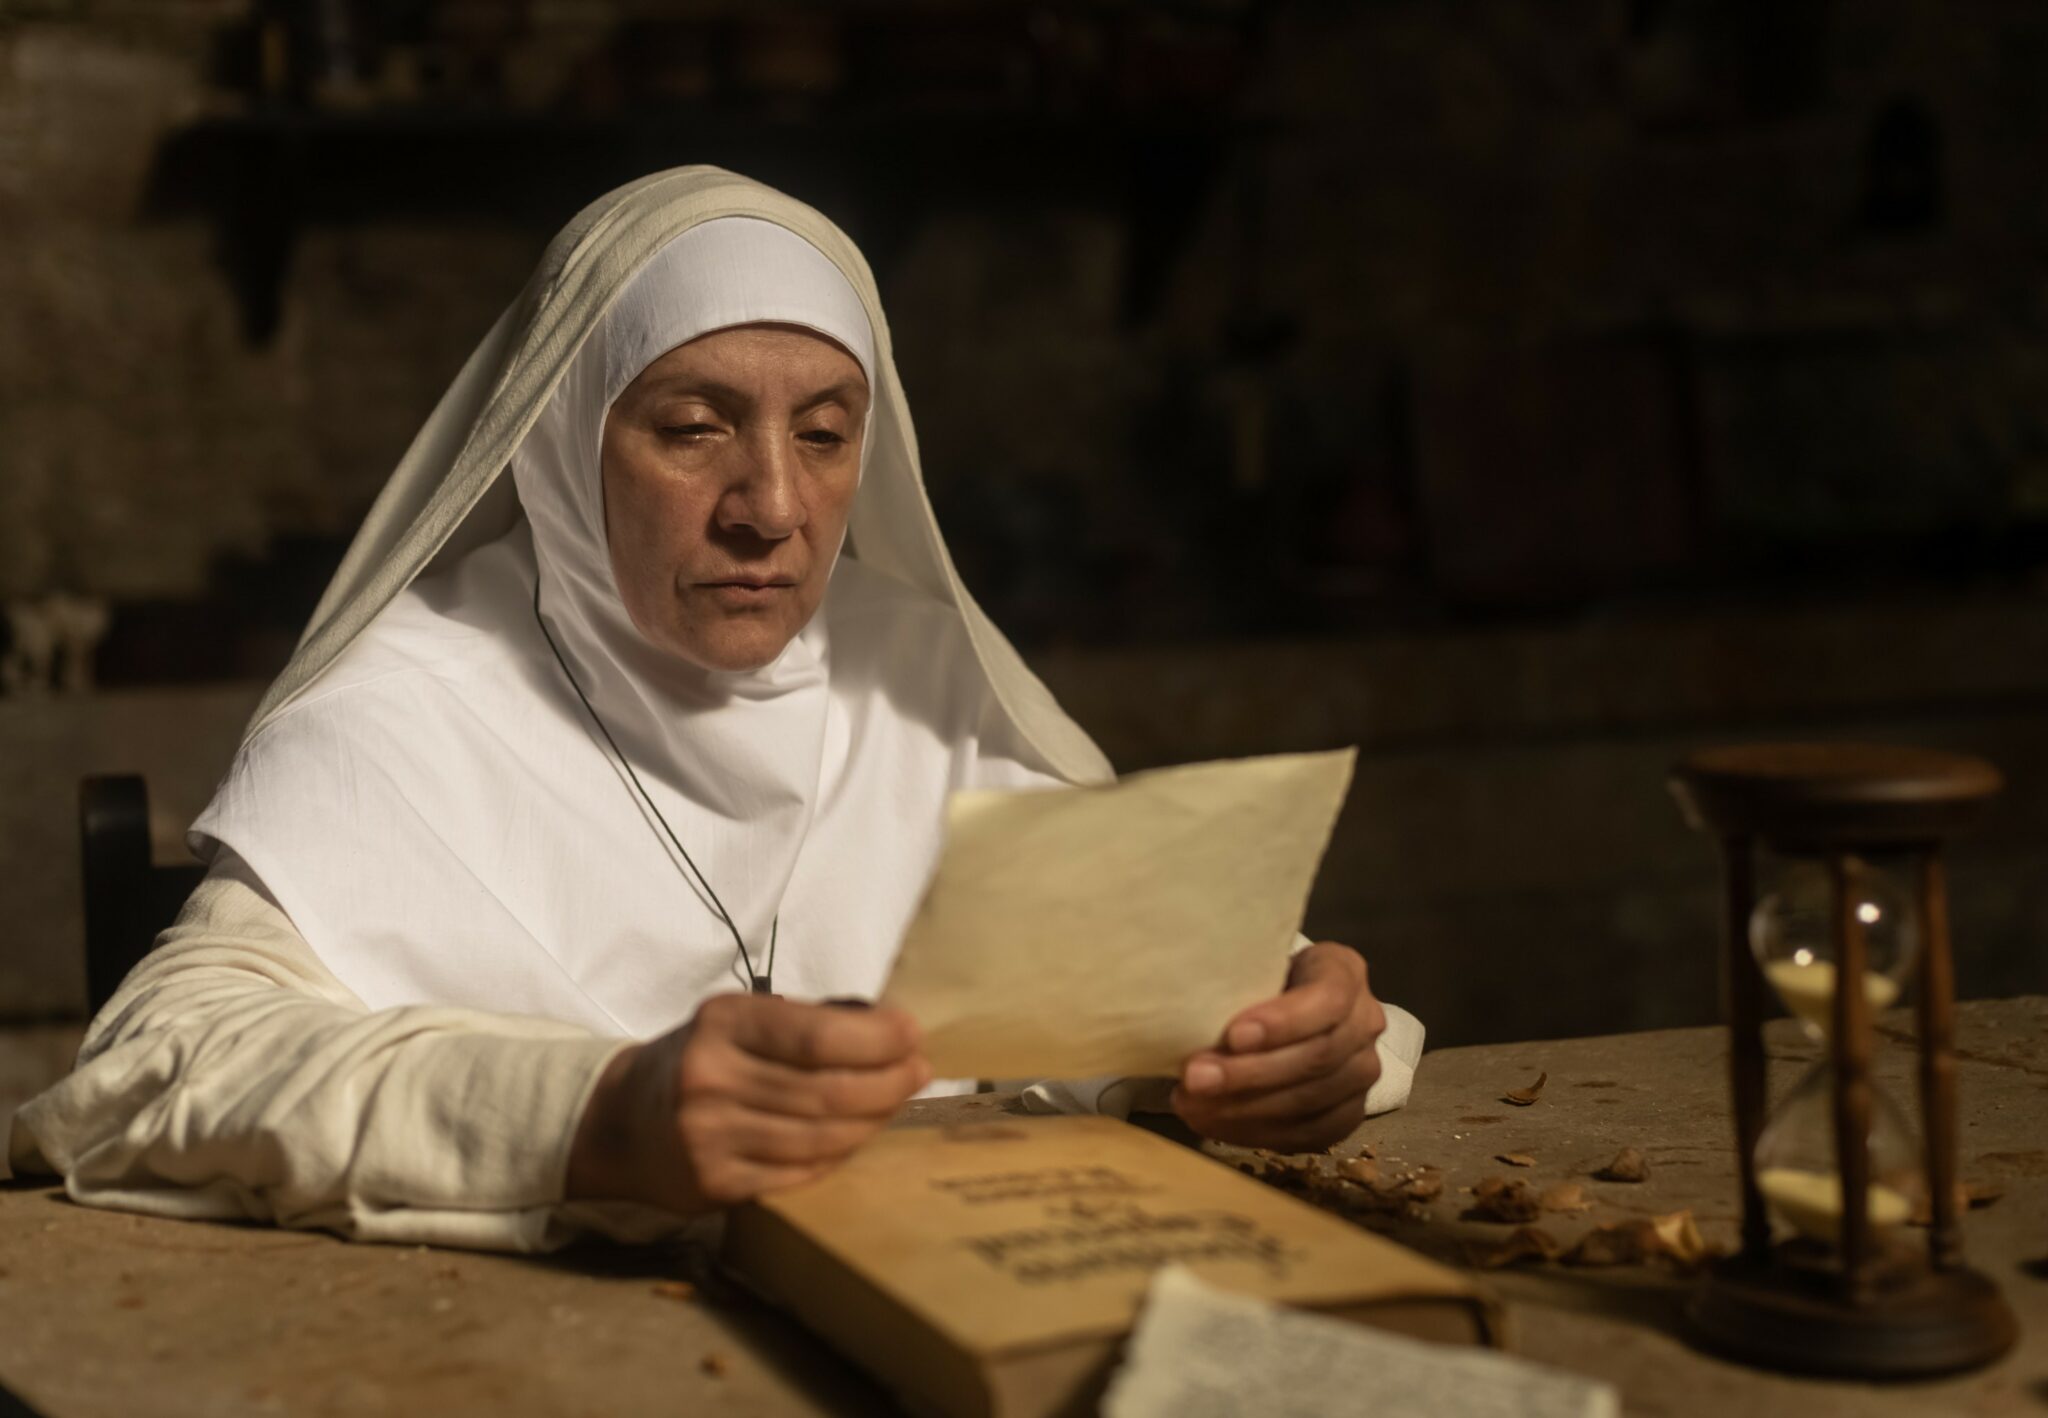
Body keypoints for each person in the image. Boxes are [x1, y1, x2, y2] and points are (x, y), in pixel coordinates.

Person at [11, 167, 1423, 1249]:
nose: (774, 507)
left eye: (824, 433)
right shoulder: (406, 704)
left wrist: (1283, 1033)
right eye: (694, 427)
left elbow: (1137, 990)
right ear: (564, 441)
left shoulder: (922, 678)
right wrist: (597, 1113)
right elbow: (146, 1076)